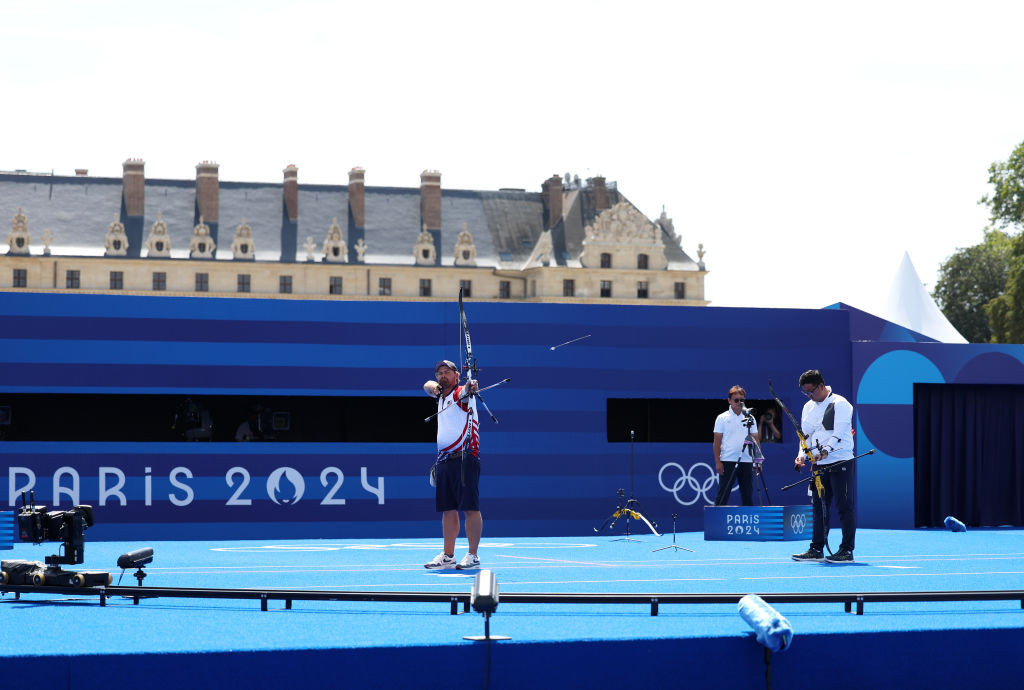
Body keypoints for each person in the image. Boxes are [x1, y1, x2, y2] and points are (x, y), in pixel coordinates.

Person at [791, 369, 857, 564]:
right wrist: (801, 455)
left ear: (821, 386)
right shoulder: (808, 407)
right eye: (805, 393)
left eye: (811, 391)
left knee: (844, 506)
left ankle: (846, 550)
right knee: (819, 506)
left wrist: (826, 450)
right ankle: (816, 548)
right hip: (819, 465)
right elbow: (805, 437)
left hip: (840, 460)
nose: (809, 396)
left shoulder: (841, 404)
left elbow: (839, 433)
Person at [422, 359, 482, 570]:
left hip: (465, 457)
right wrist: (435, 386)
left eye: (447, 372)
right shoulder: (440, 395)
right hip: (445, 460)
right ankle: (448, 556)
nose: (442, 375)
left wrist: (469, 386)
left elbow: (465, 392)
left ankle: (473, 555)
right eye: (440, 372)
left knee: (470, 508)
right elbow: (426, 386)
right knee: (448, 509)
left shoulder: (460, 394)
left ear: (457, 375)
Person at [713, 385, 760, 506]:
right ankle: (717, 523)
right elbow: (717, 441)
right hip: (727, 460)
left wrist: (758, 461)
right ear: (729, 400)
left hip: (747, 461)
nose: (739, 402)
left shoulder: (750, 417)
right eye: (736, 400)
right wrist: (718, 462)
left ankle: (749, 523)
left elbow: (755, 440)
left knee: (747, 496)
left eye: (742, 400)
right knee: (722, 495)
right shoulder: (722, 418)